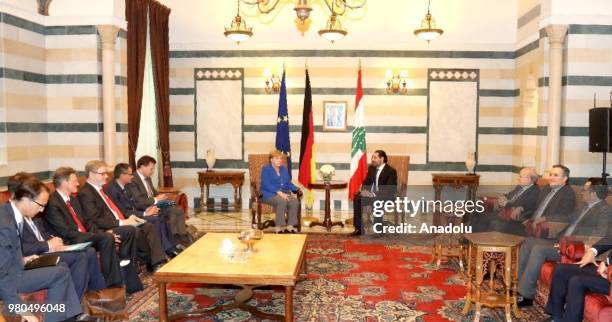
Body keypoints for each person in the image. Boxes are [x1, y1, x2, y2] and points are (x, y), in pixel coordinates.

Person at [7, 172, 107, 301]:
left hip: (45, 250)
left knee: (89, 251)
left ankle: (97, 295)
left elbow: (43, 232)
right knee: (79, 257)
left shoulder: (31, 211)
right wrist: (47, 245)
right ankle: (75, 303)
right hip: (33, 257)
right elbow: (20, 248)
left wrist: (54, 241)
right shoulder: (10, 216)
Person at [516, 178, 611, 307]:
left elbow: (598, 236)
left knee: (539, 249)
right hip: (561, 239)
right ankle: (519, 286)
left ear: (593, 193)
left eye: (585, 189)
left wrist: (567, 243)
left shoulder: (605, 211)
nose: (582, 192)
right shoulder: (584, 205)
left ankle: (526, 295)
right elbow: (567, 218)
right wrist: (546, 218)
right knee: (529, 242)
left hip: (572, 247)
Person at [0, 176, 82, 322]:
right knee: (60, 273)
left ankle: (69, 317)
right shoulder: (5, 224)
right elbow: (1, 276)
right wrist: (22, 310)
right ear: (26, 198)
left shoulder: (11, 213)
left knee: (61, 267)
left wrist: (22, 259)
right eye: (41, 205)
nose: (42, 210)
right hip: (9, 279)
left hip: (15, 269)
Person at [43, 167, 136, 291]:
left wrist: (100, 233)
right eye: (74, 181)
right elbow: (67, 233)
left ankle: (124, 277)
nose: (78, 183)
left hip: (84, 236)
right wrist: (98, 236)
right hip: (70, 241)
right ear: (64, 183)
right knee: (107, 238)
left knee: (122, 232)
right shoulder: (53, 203)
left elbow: (88, 222)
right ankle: (113, 284)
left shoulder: (73, 200)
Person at [78, 160, 166, 273]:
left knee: (147, 225)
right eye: (103, 174)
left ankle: (157, 262)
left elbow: (118, 208)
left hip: (120, 220)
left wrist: (130, 218)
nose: (106, 176)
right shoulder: (86, 193)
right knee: (134, 230)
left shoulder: (102, 189)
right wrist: (122, 222)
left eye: (106, 173)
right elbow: (95, 220)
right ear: (91, 174)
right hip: (109, 226)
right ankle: (144, 263)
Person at [105, 163, 179, 258]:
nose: (132, 177)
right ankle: (160, 252)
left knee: (160, 215)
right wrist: (144, 213)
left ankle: (169, 247)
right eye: (130, 174)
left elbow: (135, 203)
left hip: (136, 212)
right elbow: (123, 211)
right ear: (122, 175)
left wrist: (147, 209)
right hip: (127, 218)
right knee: (154, 219)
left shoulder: (126, 185)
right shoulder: (111, 189)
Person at [545, 234, 612, 322]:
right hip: (607, 270)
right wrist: (592, 251)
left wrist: (608, 263)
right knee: (561, 270)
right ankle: (556, 317)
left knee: (577, 281)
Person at [126, 155, 191, 245]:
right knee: (172, 209)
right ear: (142, 167)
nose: (152, 171)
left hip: (156, 203)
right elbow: (139, 201)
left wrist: (163, 196)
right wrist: (156, 199)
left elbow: (153, 192)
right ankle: (175, 238)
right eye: (151, 169)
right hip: (146, 208)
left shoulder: (147, 177)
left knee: (176, 206)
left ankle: (181, 234)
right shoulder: (132, 179)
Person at [473, 167, 539, 233]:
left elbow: (521, 205)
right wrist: (502, 198)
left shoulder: (534, 191)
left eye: (520, 176)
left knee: (485, 219)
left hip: (513, 218)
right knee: (477, 214)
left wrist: (505, 203)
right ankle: (470, 240)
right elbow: (508, 195)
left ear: (529, 179)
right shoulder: (520, 187)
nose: (518, 178)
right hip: (504, 213)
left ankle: (476, 240)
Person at [516, 164, 576, 236]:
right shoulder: (547, 187)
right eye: (550, 175)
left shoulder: (568, 193)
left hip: (544, 229)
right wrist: (522, 207)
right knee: (505, 227)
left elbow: (564, 216)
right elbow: (534, 203)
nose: (551, 178)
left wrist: (543, 218)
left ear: (564, 178)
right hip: (530, 222)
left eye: (555, 175)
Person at [351, 150, 397, 236]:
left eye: (375, 157)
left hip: (386, 196)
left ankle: (378, 230)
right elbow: (366, 182)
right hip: (372, 196)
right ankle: (359, 229)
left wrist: (373, 194)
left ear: (382, 159)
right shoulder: (371, 168)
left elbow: (389, 189)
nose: (372, 159)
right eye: (372, 157)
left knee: (377, 201)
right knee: (357, 199)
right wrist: (364, 191)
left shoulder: (390, 171)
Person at [260, 150, 301, 233]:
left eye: (280, 158)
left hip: (283, 194)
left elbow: (288, 183)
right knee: (281, 201)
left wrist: (296, 189)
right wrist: (279, 192)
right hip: (268, 195)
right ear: (271, 160)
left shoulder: (283, 169)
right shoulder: (266, 169)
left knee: (294, 201)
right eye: (277, 158)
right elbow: (266, 184)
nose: (279, 160)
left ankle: (290, 226)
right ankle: (278, 227)